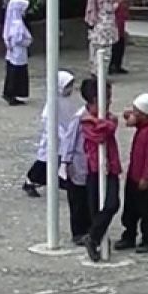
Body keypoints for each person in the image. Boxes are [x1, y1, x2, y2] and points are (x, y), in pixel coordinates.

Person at [79, 78, 122, 263]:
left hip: (110, 166)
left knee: (112, 203)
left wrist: (103, 123)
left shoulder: (105, 117)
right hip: (94, 168)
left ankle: (93, 236)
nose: (110, 101)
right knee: (95, 207)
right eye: (108, 97)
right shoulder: (84, 120)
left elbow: (110, 126)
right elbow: (98, 135)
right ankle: (97, 238)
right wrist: (103, 124)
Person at [115, 93, 148, 254]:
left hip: (143, 178)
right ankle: (129, 234)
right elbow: (128, 116)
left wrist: (146, 177)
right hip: (133, 175)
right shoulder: (143, 127)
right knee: (130, 209)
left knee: (146, 211)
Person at [22, 70, 77, 199]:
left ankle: (59, 180)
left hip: (63, 138)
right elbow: (50, 121)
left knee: (58, 161)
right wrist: (63, 135)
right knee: (44, 163)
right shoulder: (52, 102)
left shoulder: (65, 101)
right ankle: (30, 181)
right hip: (53, 139)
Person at [58, 80, 92, 245]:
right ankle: (78, 232)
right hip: (77, 164)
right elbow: (69, 140)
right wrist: (66, 161)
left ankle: (90, 229)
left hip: (90, 166)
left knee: (89, 199)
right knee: (78, 201)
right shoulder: (79, 118)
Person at [85, 0, 118, 76]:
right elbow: (107, 9)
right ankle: (101, 74)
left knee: (95, 50)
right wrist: (117, 4)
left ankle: (94, 71)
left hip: (97, 25)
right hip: (105, 25)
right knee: (105, 51)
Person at [2, 0, 32, 105]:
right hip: (18, 53)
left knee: (12, 73)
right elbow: (17, 39)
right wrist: (27, 41)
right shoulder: (18, 24)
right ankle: (12, 94)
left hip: (15, 53)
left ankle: (11, 94)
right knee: (16, 74)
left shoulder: (12, 22)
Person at [110, 0, 130, 74]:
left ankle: (117, 65)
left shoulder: (124, 4)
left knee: (120, 48)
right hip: (115, 29)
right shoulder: (115, 4)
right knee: (115, 49)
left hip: (121, 29)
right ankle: (113, 66)